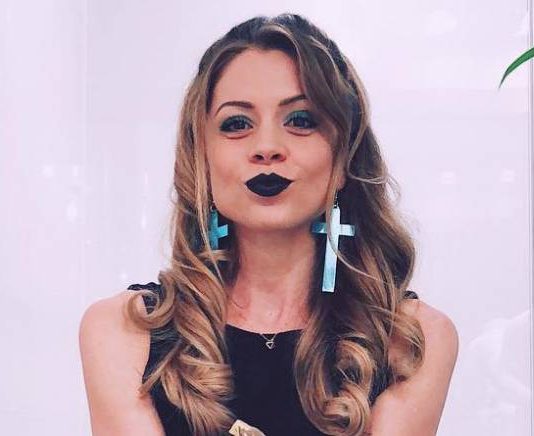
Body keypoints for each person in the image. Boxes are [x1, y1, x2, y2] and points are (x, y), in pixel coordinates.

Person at [79, 13, 459, 436]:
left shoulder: (413, 339)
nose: (267, 147)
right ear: (201, 156)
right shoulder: (124, 331)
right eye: (237, 124)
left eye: (301, 120)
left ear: (344, 157)